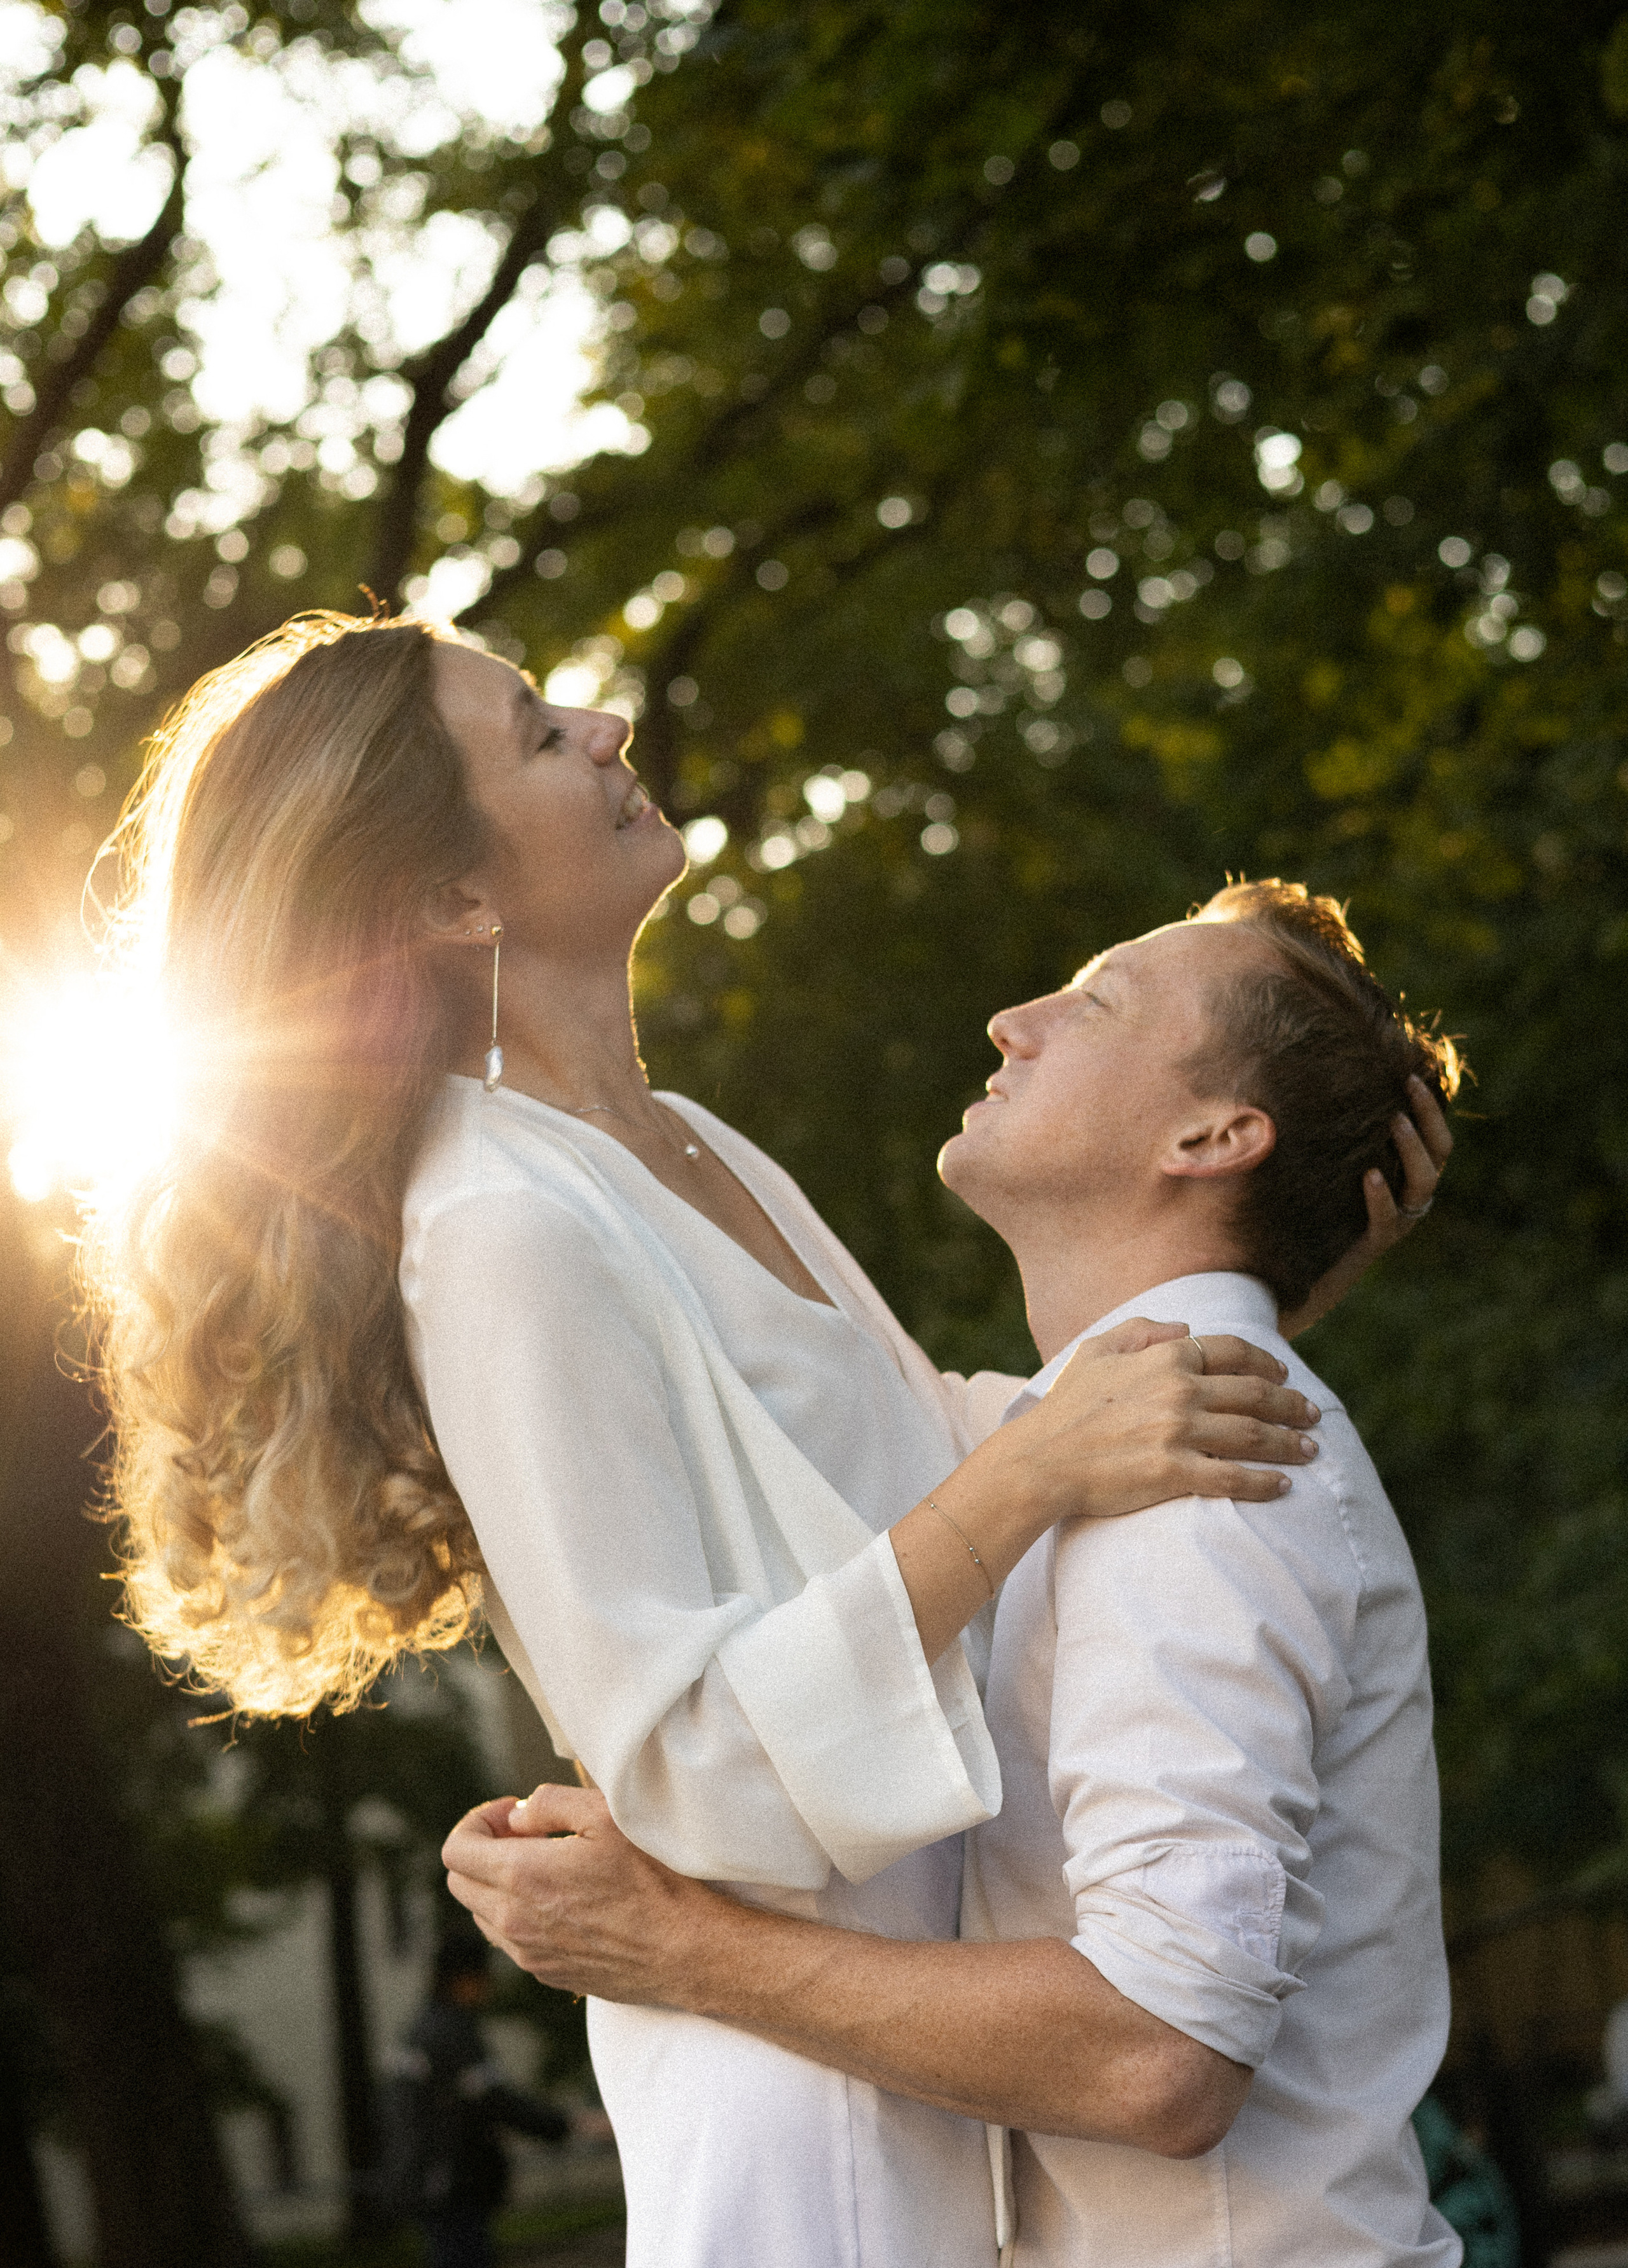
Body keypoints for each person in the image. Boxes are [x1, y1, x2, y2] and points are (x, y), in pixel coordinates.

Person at [83, 614, 1441, 2268]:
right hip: (812, 2105)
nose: (597, 721)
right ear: (452, 900)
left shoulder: (694, 1144)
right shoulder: (504, 1217)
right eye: (530, 732)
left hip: (938, 2045)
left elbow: (967, 1463)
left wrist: (1255, 1248)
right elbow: (681, 1759)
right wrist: (1040, 1455)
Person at [443, 882, 1464, 2268]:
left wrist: (671, 1942)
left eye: (1094, 999)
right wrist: (1271, 1272)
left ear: (1211, 1136)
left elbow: (1160, 2055)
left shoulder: (1202, 1480)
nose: (1014, 1019)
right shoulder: (1090, 1438)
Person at [383, 1930, 570, 2268]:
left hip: (430, 2181)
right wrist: (566, 2125)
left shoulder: (421, 2030)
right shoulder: (451, 2033)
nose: (490, 1986)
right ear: (465, 1979)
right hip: (452, 2184)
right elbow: (494, 2100)